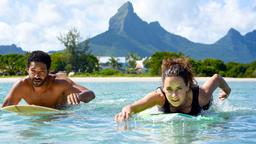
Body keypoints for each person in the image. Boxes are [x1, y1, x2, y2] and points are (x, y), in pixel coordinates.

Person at [115, 57, 231, 122]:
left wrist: (226, 92)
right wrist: (125, 113)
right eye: (169, 89)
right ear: (164, 88)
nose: (174, 95)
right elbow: (131, 107)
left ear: (187, 86)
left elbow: (217, 78)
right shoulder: (159, 97)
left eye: (179, 88)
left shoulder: (202, 96)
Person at [1, 50, 95, 109]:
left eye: (41, 71)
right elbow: (4, 110)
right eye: (33, 71)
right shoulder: (21, 86)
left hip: (61, 116)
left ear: (48, 71)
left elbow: (91, 94)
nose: (37, 76)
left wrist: (80, 96)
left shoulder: (61, 83)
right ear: (27, 70)